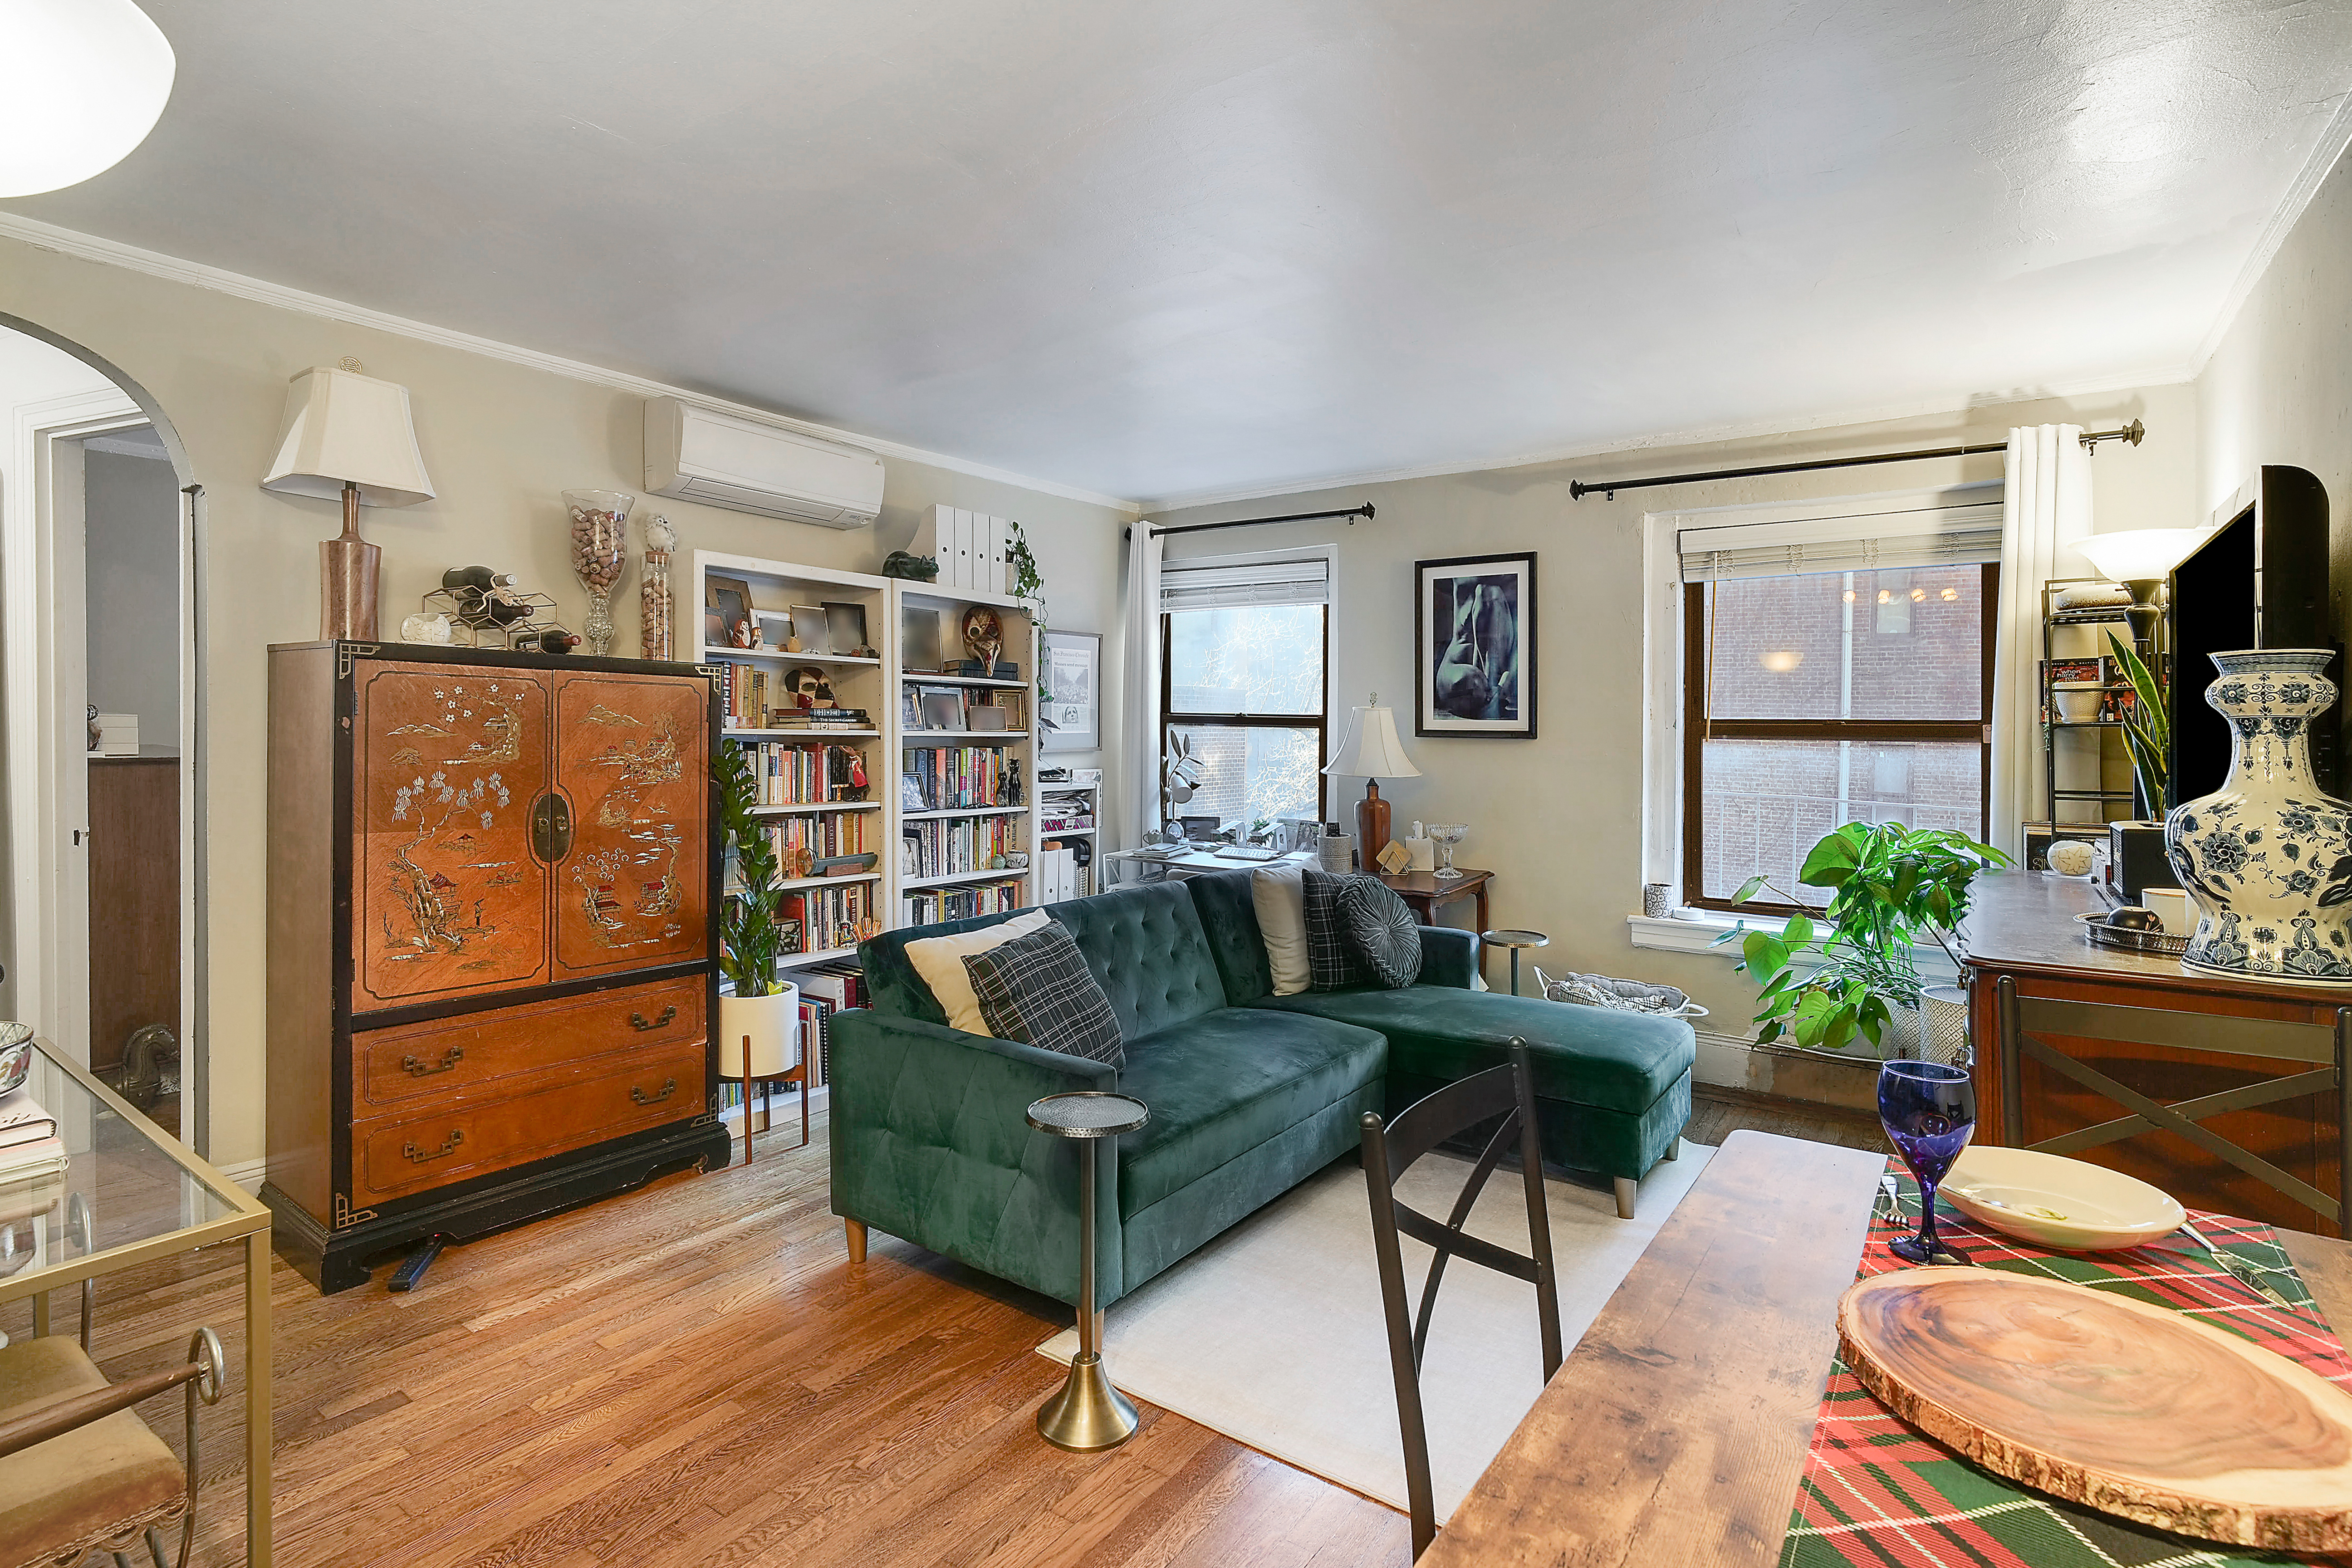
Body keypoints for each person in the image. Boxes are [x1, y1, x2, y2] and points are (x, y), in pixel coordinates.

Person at [1433, 576, 1517, 720]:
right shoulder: (1477, 585)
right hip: (1453, 677)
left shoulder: (1491, 594)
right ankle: (1493, 691)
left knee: (1490, 593)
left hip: (1461, 680)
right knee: (1489, 592)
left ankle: (1493, 691)